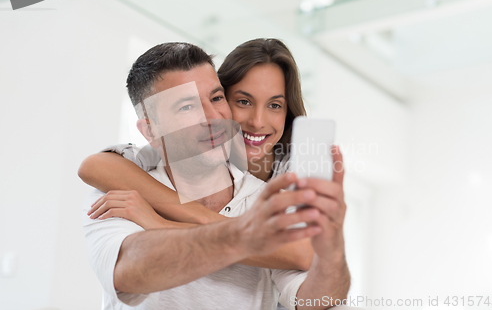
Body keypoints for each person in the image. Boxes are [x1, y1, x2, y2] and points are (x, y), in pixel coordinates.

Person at [81, 41, 350, 309]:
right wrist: (245, 235)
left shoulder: (269, 199)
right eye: (187, 106)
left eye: (216, 98)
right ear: (150, 131)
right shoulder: (122, 192)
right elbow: (130, 272)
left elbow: (316, 299)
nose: (212, 117)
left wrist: (332, 249)